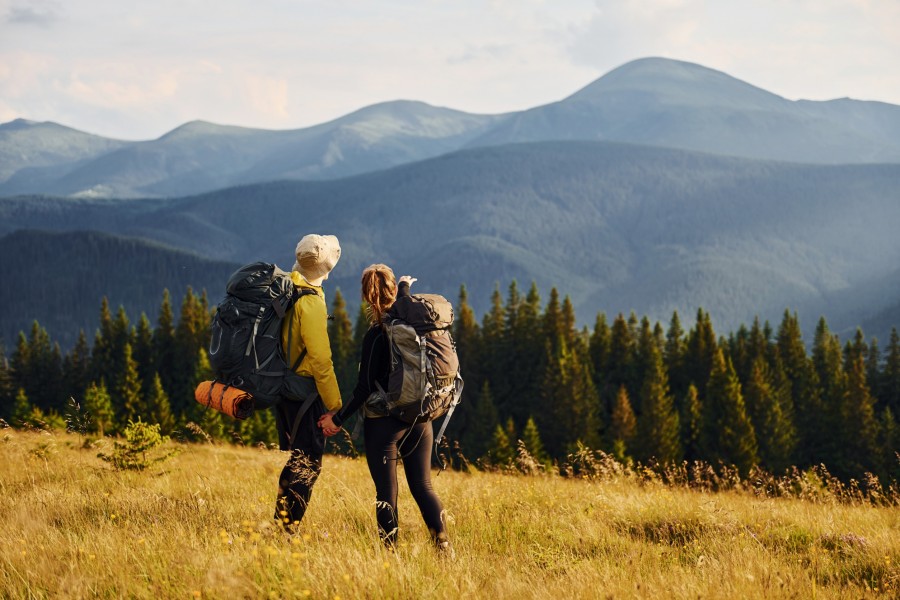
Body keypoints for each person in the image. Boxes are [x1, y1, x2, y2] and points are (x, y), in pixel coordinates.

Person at [318, 264, 451, 552]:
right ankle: (444, 548)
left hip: (384, 425)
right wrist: (405, 287)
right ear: (394, 291)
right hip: (419, 417)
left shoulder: (376, 335)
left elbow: (364, 388)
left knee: (386, 493)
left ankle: (390, 555)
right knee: (423, 486)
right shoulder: (417, 327)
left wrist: (337, 419)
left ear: (366, 296)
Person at [274, 233, 343, 531]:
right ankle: (288, 528)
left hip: (284, 387)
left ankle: (281, 521)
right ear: (326, 268)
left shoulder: (287, 288)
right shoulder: (311, 304)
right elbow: (321, 362)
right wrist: (336, 406)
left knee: (296, 458)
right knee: (308, 463)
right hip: (305, 393)